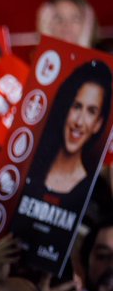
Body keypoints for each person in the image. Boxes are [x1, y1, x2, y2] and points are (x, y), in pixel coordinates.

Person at [24, 59, 112, 204]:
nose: (79, 122)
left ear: (98, 123)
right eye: (76, 106)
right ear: (65, 109)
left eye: (91, 111)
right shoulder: (29, 167)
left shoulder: (94, 193)